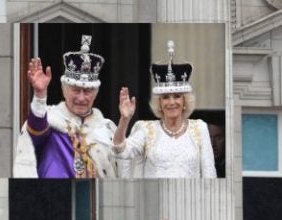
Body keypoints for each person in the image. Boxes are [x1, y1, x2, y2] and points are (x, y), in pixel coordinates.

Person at [15, 35, 117, 178]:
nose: (81, 98)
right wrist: (40, 95)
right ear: (64, 91)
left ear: (95, 94)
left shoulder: (107, 129)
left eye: (87, 91)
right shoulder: (52, 120)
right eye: (75, 90)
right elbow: (36, 130)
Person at [112, 40, 216, 178]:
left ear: (184, 101)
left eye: (177, 96)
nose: (171, 102)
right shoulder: (146, 129)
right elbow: (120, 151)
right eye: (165, 97)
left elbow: (209, 174)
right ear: (159, 103)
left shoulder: (199, 128)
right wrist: (124, 119)